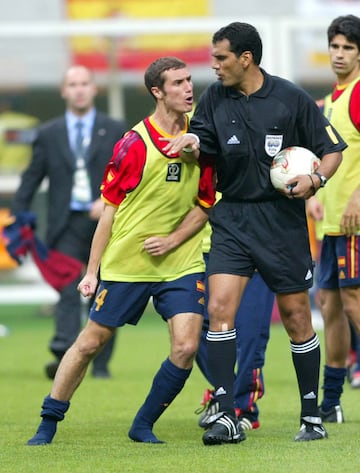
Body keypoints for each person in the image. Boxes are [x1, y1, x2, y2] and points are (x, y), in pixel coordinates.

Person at [164, 21, 345, 444]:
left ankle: (311, 415)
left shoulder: (290, 98)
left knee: (299, 318)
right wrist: (191, 143)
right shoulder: (214, 98)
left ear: (246, 58)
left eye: (221, 58)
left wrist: (315, 181)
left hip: (280, 221)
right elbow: (202, 144)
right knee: (221, 312)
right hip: (231, 219)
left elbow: (332, 151)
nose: (214, 65)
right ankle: (228, 414)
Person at [26, 56, 216, 446]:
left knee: (186, 346)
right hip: (129, 262)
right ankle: (48, 420)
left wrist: (173, 240)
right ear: (157, 92)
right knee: (91, 342)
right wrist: (92, 271)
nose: (188, 88)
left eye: (189, 80)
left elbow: (206, 205)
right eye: (177, 83)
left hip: (180, 261)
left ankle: (143, 423)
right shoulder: (133, 144)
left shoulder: (203, 135)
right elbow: (108, 213)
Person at [11, 65, 126, 379]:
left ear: (94, 89)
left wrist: (106, 198)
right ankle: (63, 353)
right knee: (66, 288)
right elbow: (32, 177)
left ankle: (100, 363)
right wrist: (19, 217)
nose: (78, 89)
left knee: (104, 291)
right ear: (64, 90)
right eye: (72, 84)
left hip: (105, 222)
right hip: (65, 224)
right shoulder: (48, 134)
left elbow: (130, 174)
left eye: (84, 83)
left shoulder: (115, 128)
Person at [306, 14, 360, 421]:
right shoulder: (333, 99)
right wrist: (313, 195)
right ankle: (331, 402)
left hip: (355, 222)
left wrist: (358, 195)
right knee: (331, 307)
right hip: (332, 224)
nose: (339, 54)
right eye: (335, 46)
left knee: (355, 303)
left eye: (348, 48)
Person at [195, 216, 275, 431]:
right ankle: (225, 396)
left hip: (252, 243)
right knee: (195, 329)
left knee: (250, 333)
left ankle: (245, 407)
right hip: (198, 246)